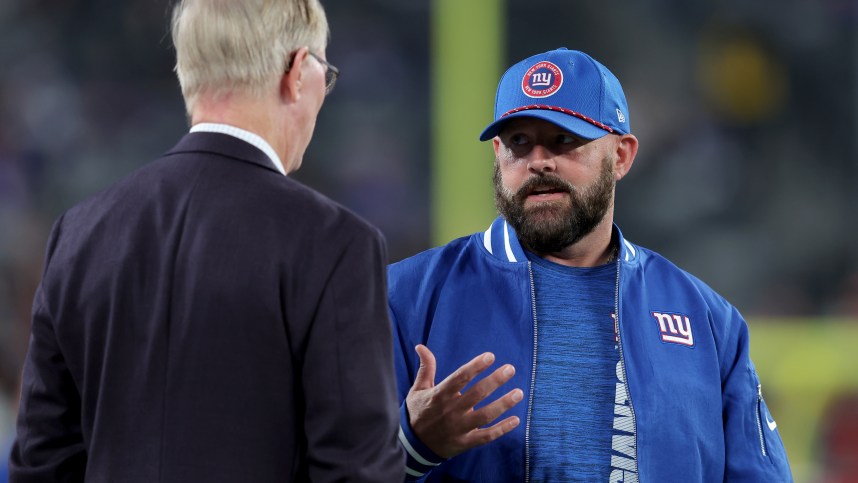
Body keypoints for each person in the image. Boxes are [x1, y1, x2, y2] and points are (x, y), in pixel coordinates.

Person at [10, 1, 404, 481]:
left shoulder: (78, 233)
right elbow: (355, 470)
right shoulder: (335, 243)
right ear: (299, 71)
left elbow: (41, 463)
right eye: (327, 71)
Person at [388, 48, 792, 481]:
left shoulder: (709, 321)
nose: (539, 160)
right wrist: (410, 448)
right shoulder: (404, 298)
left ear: (621, 156)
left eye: (565, 139)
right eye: (519, 142)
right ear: (498, 154)